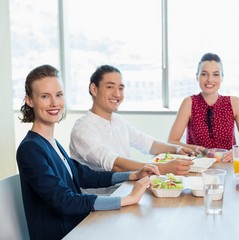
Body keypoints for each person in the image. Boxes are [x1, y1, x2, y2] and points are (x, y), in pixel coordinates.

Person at [16, 65, 159, 240]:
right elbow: (65, 200)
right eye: (45, 96)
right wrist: (127, 199)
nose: (54, 103)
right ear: (30, 101)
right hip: (65, 234)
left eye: (59, 95)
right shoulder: (30, 149)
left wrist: (133, 175)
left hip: (80, 227)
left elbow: (85, 175)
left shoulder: (51, 143)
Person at [69, 65, 194, 176]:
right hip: (103, 198)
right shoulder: (83, 130)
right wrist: (163, 168)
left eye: (121, 88)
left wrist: (176, 149)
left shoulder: (118, 121)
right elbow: (115, 164)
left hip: (127, 190)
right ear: (94, 89)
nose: (117, 94)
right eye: (110, 87)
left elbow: (148, 144)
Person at [167, 53, 239, 162]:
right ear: (197, 76)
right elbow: (172, 141)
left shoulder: (235, 103)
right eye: (204, 74)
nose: (209, 79)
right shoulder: (188, 103)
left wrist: (238, 151)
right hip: (197, 166)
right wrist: (196, 148)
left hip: (227, 166)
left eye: (216, 74)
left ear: (222, 77)